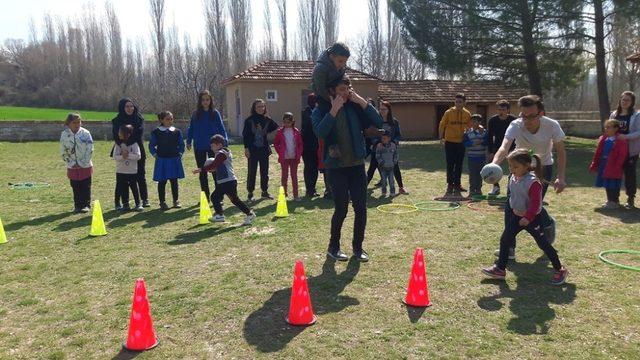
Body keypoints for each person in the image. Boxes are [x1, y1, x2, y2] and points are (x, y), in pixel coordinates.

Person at [312, 74, 383, 262]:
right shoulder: (321, 110)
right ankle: (333, 247)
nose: (346, 93)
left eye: (348, 88)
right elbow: (319, 132)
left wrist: (360, 100)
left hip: (357, 165)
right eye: (342, 89)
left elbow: (377, 121)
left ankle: (358, 248)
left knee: (361, 208)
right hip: (336, 167)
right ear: (332, 91)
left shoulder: (354, 107)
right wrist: (334, 110)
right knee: (341, 209)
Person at [491, 95, 565, 260]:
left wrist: (561, 177)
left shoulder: (552, 125)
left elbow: (560, 151)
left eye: (532, 116)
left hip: (542, 168)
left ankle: (547, 223)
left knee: (532, 205)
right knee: (511, 206)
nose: (527, 120)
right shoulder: (515, 125)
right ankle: (509, 247)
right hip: (518, 168)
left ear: (541, 113)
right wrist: (494, 165)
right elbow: (504, 147)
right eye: (524, 115)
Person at [482, 149, 569, 286]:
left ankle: (560, 269)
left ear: (527, 165)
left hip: (532, 218)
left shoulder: (533, 182)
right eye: (510, 166)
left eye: (515, 167)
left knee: (543, 244)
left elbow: (536, 204)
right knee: (505, 239)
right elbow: (514, 197)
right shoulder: (512, 177)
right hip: (517, 217)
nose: (512, 169)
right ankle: (500, 269)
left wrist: (528, 217)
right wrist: (512, 210)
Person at [193, 135, 256, 226]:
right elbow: (217, 165)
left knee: (215, 197)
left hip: (227, 181)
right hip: (227, 181)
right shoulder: (221, 153)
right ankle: (249, 214)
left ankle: (220, 215)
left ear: (219, 145)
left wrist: (202, 169)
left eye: (213, 146)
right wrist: (213, 168)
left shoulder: (222, 153)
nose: (211, 148)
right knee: (235, 200)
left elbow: (215, 163)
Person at [186, 90, 228, 200]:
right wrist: (189, 141)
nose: (205, 102)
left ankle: (218, 197)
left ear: (210, 100)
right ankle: (205, 197)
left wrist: (225, 141)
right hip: (199, 147)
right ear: (200, 101)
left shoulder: (215, 113)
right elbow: (191, 128)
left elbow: (221, 128)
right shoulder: (196, 114)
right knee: (202, 173)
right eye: (203, 100)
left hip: (213, 148)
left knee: (215, 171)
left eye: (207, 99)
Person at [112, 98, 149, 209]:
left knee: (140, 175)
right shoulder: (117, 120)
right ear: (122, 108)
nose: (130, 108)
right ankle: (120, 202)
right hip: (120, 147)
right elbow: (115, 135)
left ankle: (144, 199)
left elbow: (138, 134)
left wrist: (127, 145)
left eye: (131, 106)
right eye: (127, 106)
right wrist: (122, 145)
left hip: (136, 148)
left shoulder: (139, 119)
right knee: (121, 179)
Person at [242, 99, 279, 201]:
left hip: (264, 150)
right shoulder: (249, 120)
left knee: (264, 172)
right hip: (252, 150)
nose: (261, 108)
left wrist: (268, 117)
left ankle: (264, 192)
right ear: (254, 108)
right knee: (252, 172)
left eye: (263, 106)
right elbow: (245, 136)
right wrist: (246, 149)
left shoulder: (267, 119)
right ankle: (250, 193)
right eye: (259, 106)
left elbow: (275, 126)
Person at [609, 91, 640, 208]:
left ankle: (630, 198)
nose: (624, 102)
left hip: (630, 150)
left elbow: (638, 132)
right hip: (615, 150)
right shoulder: (614, 114)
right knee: (615, 173)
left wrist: (626, 137)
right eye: (623, 99)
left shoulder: (636, 115)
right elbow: (609, 129)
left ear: (632, 102)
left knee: (630, 175)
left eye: (627, 100)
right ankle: (614, 198)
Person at [149, 111, 185, 210]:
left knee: (174, 181)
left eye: (171, 119)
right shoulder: (156, 132)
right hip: (162, 160)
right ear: (161, 120)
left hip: (174, 159)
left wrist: (180, 153)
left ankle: (176, 200)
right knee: (162, 181)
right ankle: (162, 202)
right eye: (167, 119)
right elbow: (151, 145)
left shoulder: (177, 132)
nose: (170, 121)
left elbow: (181, 144)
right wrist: (155, 154)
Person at [589, 119, 628, 209]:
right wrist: (595, 164)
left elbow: (622, 154)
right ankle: (609, 200)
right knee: (606, 183)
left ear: (616, 128)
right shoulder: (604, 139)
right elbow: (599, 152)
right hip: (604, 164)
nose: (606, 129)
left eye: (609, 127)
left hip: (614, 165)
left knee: (613, 183)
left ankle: (614, 201)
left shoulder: (620, 140)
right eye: (606, 127)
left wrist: (618, 165)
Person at [439, 93, 472, 196]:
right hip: (449, 142)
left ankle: (457, 185)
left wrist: (469, 136)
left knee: (459, 164)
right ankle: (450, 185)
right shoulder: (448, 112)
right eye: (456, 102)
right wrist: (441, 138)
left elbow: (470, 126)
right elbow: (442, 124)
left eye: (460, 102)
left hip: (461, 143)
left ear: (464, 102)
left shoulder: (467, 113)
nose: (458, 104)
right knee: (450, 164)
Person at [60, 113, 93, 213]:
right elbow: (63, 150)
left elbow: (90, 148)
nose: (77, 124)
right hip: (72, 166)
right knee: (75, 186)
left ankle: (86, 205)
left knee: (85, 186)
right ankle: (77, 205)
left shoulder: (86, 133)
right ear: (68, 123)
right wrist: (71, 162)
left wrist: (83, 162)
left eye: (79, 122)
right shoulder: (65, 134)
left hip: (85, 165)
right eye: (74, 122)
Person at [487, 99, 516, 195]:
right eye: (499, 109)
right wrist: (490, 151)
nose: (501, 111)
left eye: (503, 109)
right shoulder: (492, 120)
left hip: (512, 147)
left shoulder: (514, 120)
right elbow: (489, 137)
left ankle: (512, 188)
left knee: (514, 167)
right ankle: (496, 187)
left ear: (508, 110)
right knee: (493, 167)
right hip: (498, 147)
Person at [311, 42, 351, 112]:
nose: (343, 65)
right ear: (332, 56)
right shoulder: (320, 69)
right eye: (340, 61)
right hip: (324, 98)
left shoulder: (341, 66)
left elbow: (345, 80)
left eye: (345, 62)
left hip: (337, 95)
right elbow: (321, 90)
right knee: (330, 111)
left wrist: (350, 91)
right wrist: (334, 100)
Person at [274, 112, 304, 200]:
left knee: (294, 177)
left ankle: (296, 195)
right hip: (284, 158)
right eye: (284, 122)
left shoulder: (296, 131)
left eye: (288, 122)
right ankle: (283, 195)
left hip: (294, 158)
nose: (286, 124)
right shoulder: (280, 132)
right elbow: (276, 143)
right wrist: (280, 152)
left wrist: (299, 153)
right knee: (284, 177)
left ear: (292, 122)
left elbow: (300, 144)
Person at [113, 124, 143, 212]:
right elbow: (115, 157)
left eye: (120, 132)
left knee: (134, 187)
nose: (119, 134)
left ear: (127, 134)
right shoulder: (118, 145)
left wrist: (128, 155)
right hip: (121, 171)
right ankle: (125, 204)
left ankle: (138, 204)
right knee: (123, 188)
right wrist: (123, 156)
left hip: (132, 171)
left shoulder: (134, 144)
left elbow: (138, 156)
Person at [463, 114, 488, 196]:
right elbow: (465, 143)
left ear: (480, 122)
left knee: (480, 174)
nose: (473, 123)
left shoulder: (484, 132)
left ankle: (478, 190)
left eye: (475, 121)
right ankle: (472, 190)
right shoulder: (467, 132)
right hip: (472, 157)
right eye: (472, 121)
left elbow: (487, 141)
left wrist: (481, 141)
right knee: (472, 174)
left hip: (481, 157)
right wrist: (473, 143)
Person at [301, 93, 320, 197]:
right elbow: (307, 126)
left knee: (315, 167)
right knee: (309, 167)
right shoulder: (305, 112)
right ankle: (309, 189)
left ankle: (313, 188)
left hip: (317, 145)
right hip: (307, 145)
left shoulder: (319, 112)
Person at [375, 130, 398, 196]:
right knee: (384, 181)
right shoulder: (379, 146)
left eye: (385, 138)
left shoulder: (393, 145)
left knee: (391, 181)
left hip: (391, 167)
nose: (383, 140)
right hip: (383, 167)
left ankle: (392, 192)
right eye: (382, 138)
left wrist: (394, 161)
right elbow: (377, 155)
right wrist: (381, 162)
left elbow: (395, 154)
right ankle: (384, 192)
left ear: (389, 139)